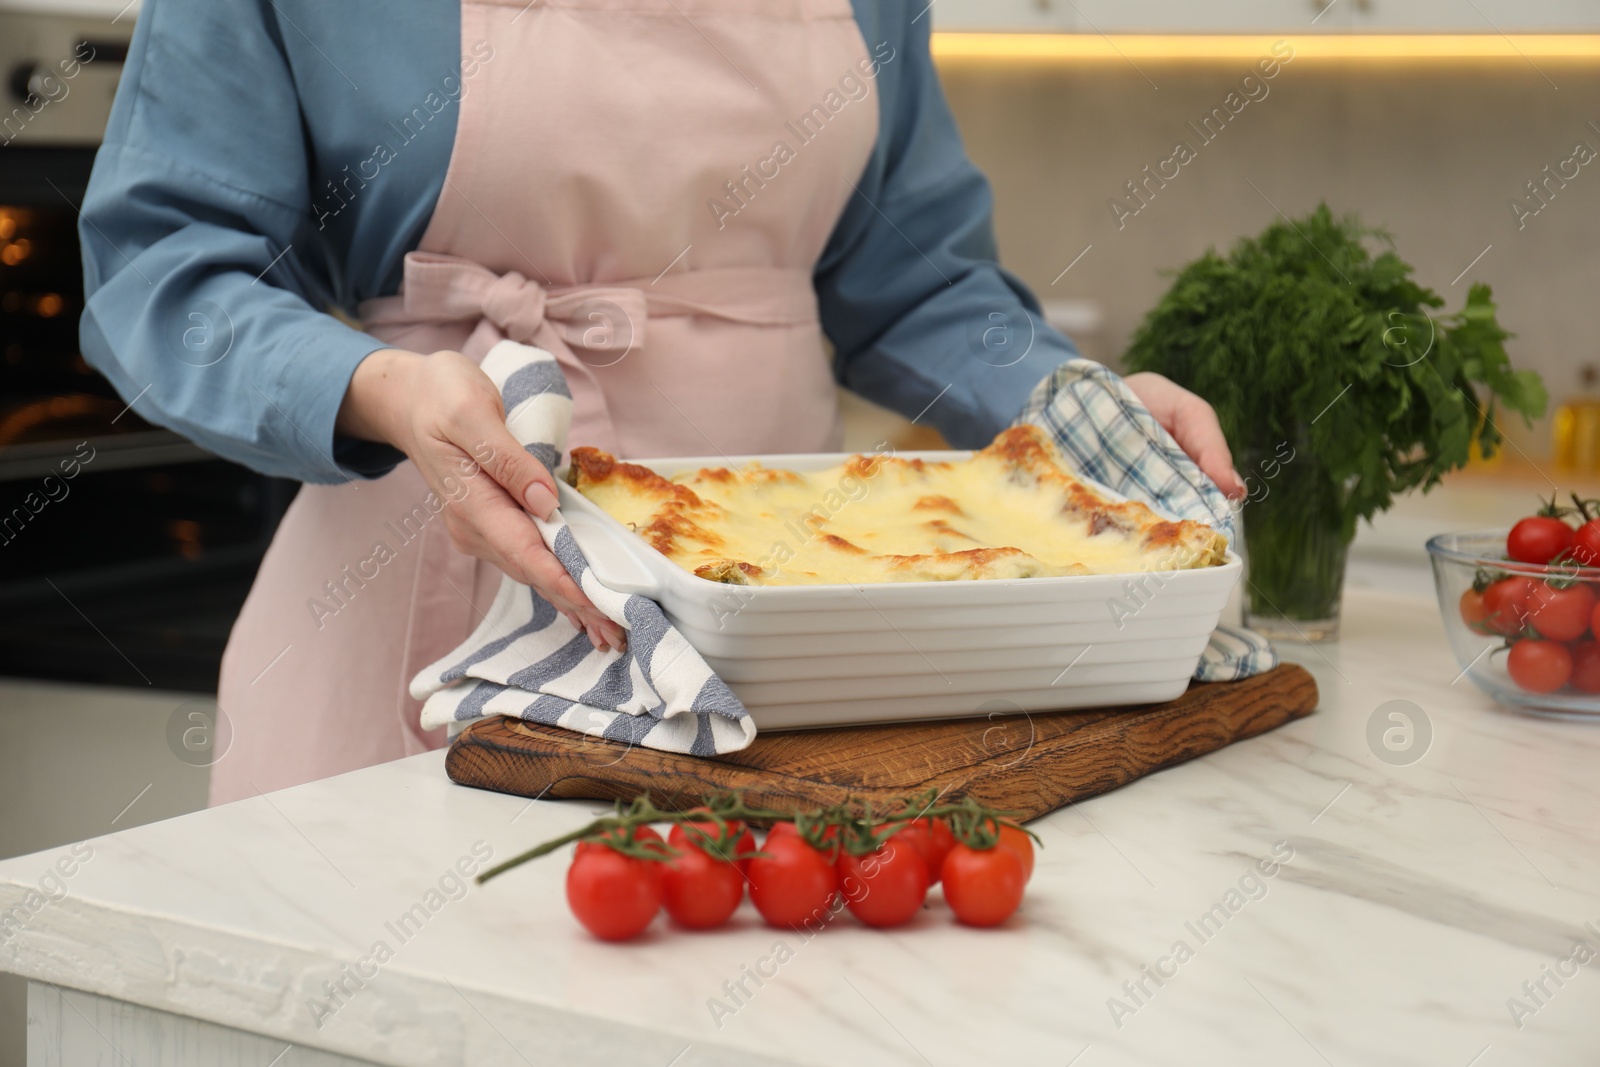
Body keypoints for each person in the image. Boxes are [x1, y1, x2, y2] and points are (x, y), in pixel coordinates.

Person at [79, 0, 1244, 805]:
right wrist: (374, 386)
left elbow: (915, 282)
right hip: (419, 588)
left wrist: (1065, 401)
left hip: (788, 643)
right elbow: (159, 270)